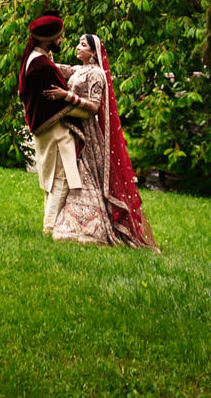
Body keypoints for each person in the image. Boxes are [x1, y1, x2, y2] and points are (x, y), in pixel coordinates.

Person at [17, 12, 113, 244]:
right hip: (56, 131)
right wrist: (73, 101)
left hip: (43, 128)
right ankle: (49, 229)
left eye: (82, 43)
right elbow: (69, 103)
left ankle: (53, 224)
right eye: (59, 37)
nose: (63, 41)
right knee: (60, 179)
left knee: (51, 180)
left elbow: (65, 75)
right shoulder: (43, 66)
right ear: (49, 38)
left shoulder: (33, 58)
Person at [65, 32, 159, 251]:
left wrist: (66, 96)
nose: (77, 47)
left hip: (86, 131)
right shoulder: (80, 69)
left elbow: (94, 107)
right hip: (74, 128)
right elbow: (62, 69)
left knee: (86, 176)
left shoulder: (96, 74)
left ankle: (92, 228)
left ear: (92, 52)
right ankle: (71, 222)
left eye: (82, 44)